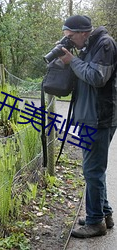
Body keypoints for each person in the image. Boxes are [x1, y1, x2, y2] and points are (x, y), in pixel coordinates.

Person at [59, 15, 117, 238]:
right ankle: (104, 214)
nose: (70, 41)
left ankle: (95, 223)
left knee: (92, 171)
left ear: (83, 32)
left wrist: (72, 61)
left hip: (99, 117)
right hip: (90, 116)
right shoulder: (89, 46)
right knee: (94, 170)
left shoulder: (105, 44)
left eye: (71, 37)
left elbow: (96, 77)